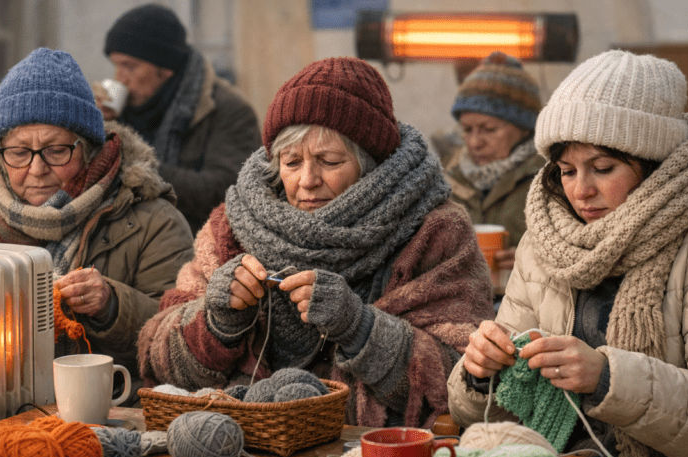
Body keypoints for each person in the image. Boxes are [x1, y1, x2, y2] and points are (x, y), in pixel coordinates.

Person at [138, 57, 494, 428]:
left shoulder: (435, 232)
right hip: (242, 446)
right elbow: (156, 356)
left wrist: (361, 327)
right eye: (292, 163)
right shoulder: (231, 229)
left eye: (328, 160)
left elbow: (466, 378)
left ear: (369, 163)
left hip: (368, 454)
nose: (307, 180)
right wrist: (216, 323)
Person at [447, 49, 688, 457]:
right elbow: (488, 414)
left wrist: (607, 378)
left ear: (655, 165)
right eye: (566, 171)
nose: (580, 191)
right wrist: (480, 374)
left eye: (603, 168)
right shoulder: (545, 241)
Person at [0, 48, 194, 401]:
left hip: (110, 411)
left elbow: (188, 336)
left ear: (88, 148)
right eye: (18, 152)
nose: (36, 168)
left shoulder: (153, 220)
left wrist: (112, 306)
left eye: (56, 150)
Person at [97, 3, 262, 235]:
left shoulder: (228, 110)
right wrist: (100, 128)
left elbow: (225, 191)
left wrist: (133, 165)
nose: (119, 78)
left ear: (165, 68)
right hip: (128, 237)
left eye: (130, 67)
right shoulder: (124, 109)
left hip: (197, 244)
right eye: (116, 66)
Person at [446, 51, 545, 271]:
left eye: (488, 129)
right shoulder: (447, 178)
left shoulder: (551, 178)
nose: (474, 143)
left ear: (524, 129)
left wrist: (540, 261)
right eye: (467, 130)